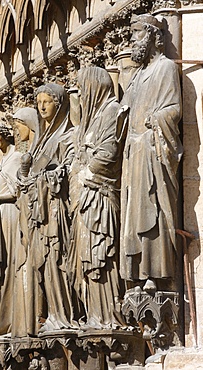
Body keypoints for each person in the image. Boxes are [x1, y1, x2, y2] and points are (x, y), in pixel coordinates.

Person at [119, 14, 183, 292]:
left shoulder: (165, 68)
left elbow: (174, 110)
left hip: (151, 150)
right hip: (134, 153)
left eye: (135, 33)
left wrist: (152, 123)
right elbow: (124, 111)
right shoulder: (137, 76)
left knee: (152, 210)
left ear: (151, 36)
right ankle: (135, 271)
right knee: (133, 216)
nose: (132, 39)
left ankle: (155, 272)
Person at [69, 66, 127, 329]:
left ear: (95, 87)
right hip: (85, 198)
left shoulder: (111, 110)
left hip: (100, 197)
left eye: (83, 90)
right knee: (87, 258)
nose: (81, 96)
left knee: (100, 254)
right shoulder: (92, 119)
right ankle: (94, 314)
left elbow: (109, 152)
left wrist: (83, 173)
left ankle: (108, 317)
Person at [17, 83, 78, 331]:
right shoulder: (40, 141)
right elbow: (30, 177)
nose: (42, 106)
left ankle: (63, 315)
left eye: (47, 101)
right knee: (43, 267)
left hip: (57, 213)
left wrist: (46, 177)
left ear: (60, 104)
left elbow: (72, 169)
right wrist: (25, 175)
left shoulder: (68, 136)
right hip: (38, 215)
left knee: (57, 262)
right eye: (39, 102)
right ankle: (51, 314)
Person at [0, 123, 26, 337]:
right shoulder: (2, 161)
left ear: (4, 135)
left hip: (10, 214)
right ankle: (1, 318)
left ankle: (14, 318)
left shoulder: (17, 157)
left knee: (11, 262)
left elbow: (19, 191)